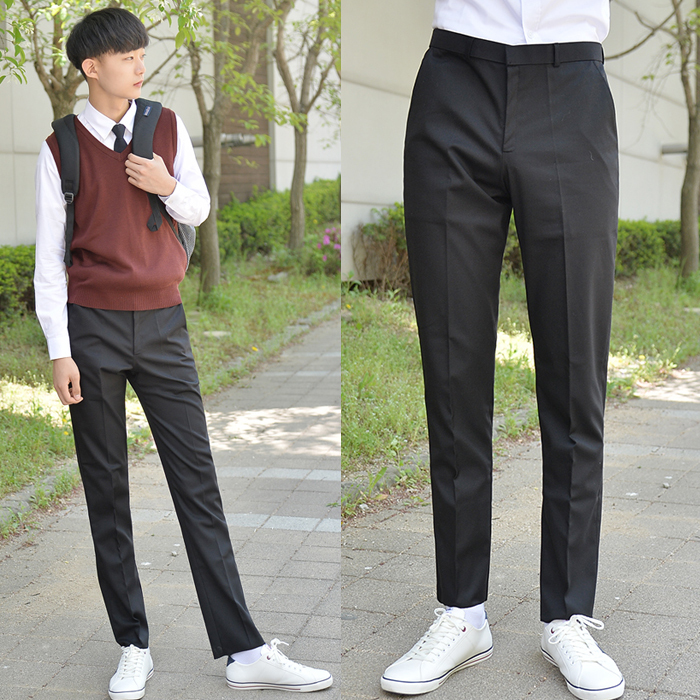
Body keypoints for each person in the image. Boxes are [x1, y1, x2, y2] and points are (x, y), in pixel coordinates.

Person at [33, 8, 332, 700]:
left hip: (165, 324)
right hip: (93, 331)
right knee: (106, 489)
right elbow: (50, 260)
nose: (140, 64)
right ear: (92, 68)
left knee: (197, 482)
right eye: (126, 56)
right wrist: (59, 351)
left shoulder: (165, 126)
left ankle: (245, 649)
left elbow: (198, 207)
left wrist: (164, 184)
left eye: (142, 53)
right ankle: (133, 646)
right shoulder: (61, 147)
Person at [380, 2, 624, 699]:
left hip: (571, 86)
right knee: (451, 368)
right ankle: (462, 612)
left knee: (575, 372)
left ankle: (567, 614)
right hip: (454, 80)